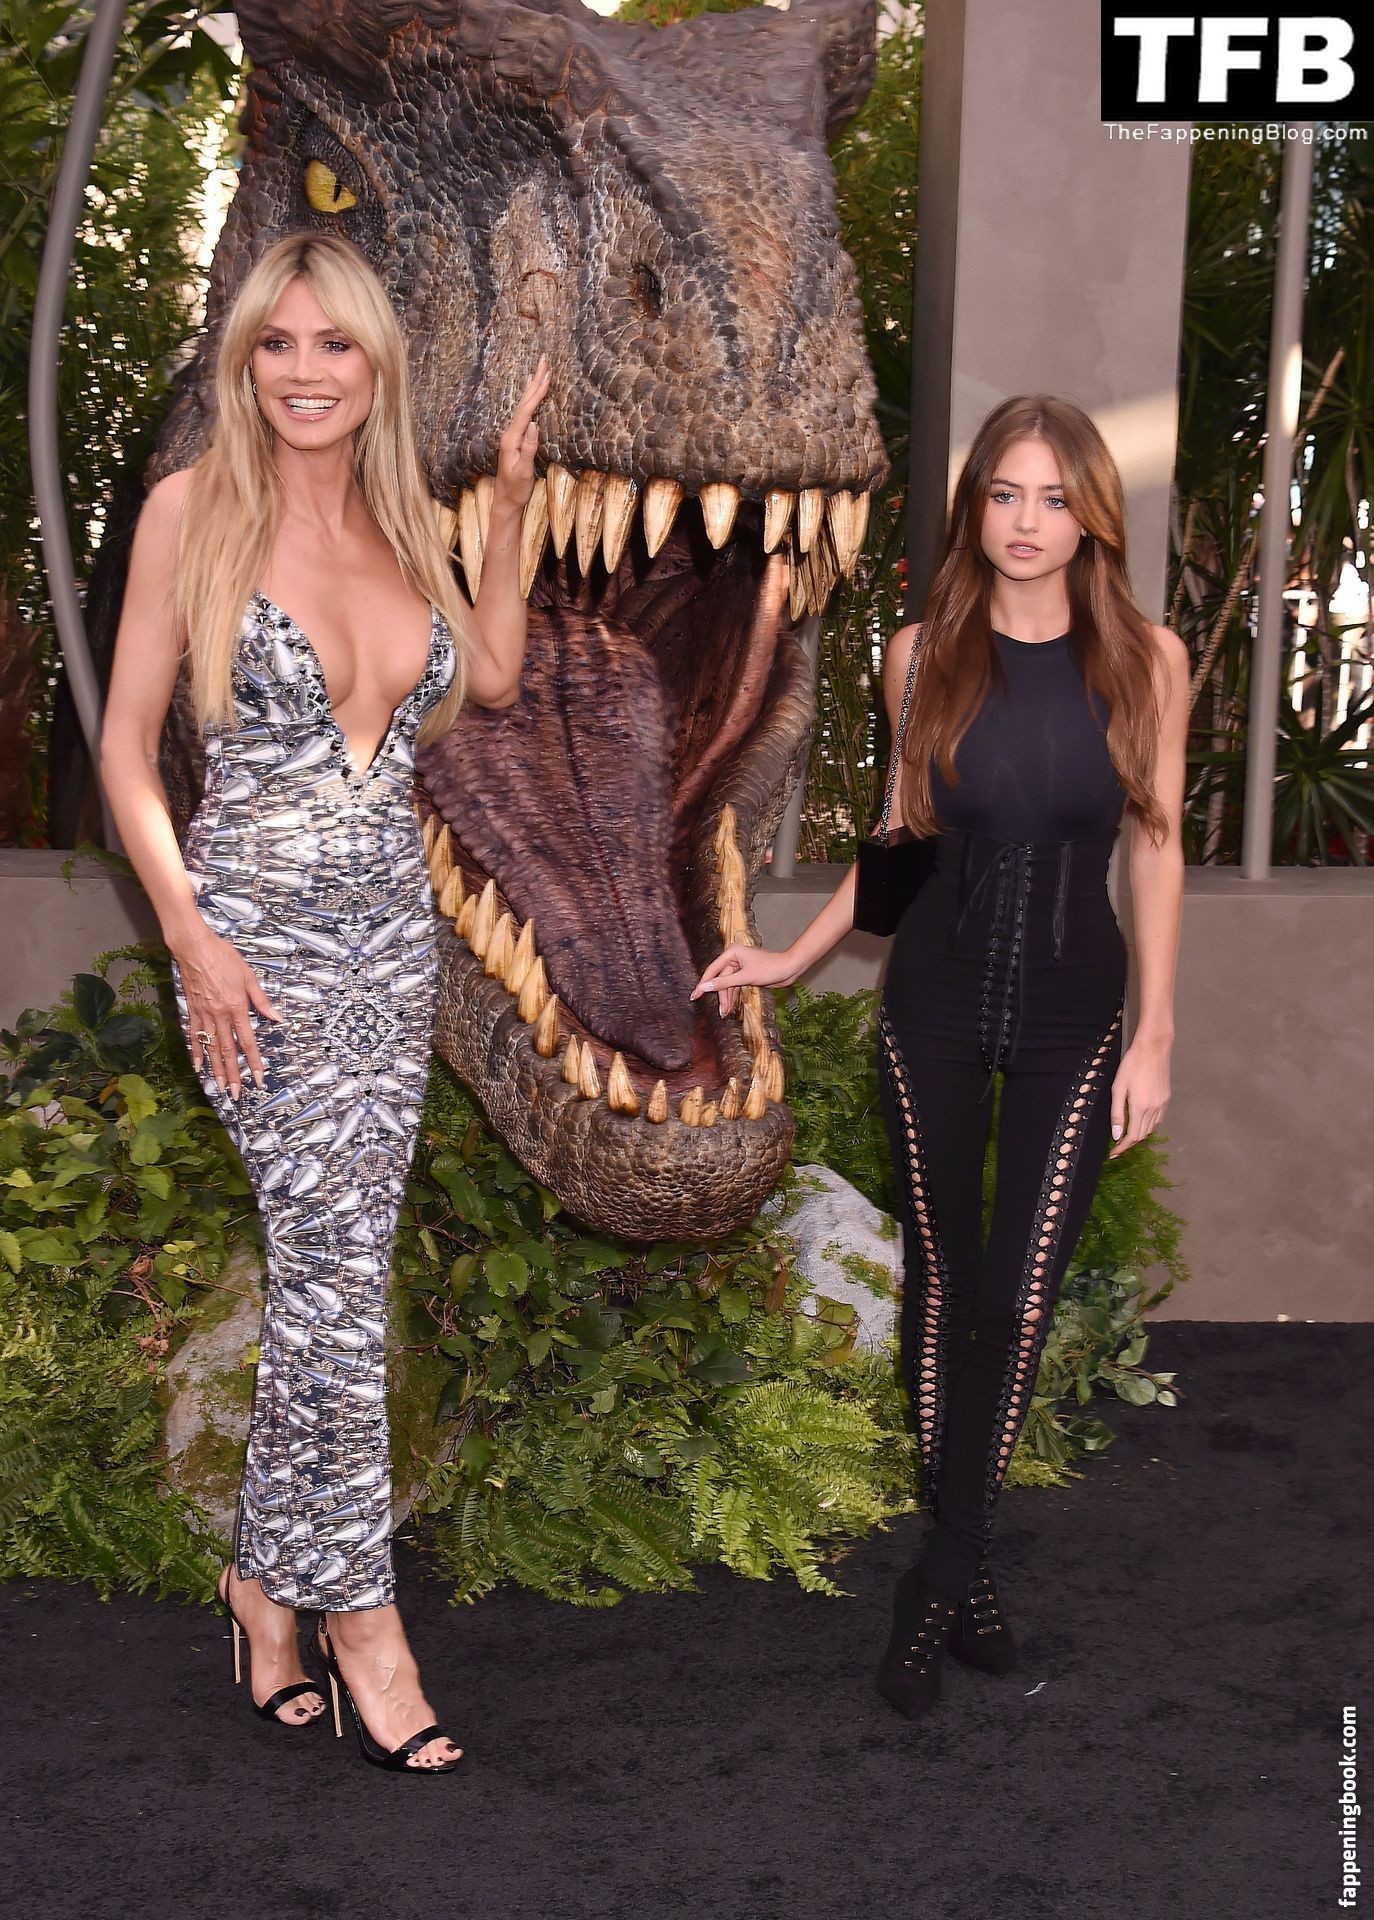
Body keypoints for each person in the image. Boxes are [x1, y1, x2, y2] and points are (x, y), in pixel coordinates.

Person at [101, 231, 550, 1771]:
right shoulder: (193, 513)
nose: (304, 370)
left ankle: (261, 1589)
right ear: (246, 363)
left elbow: (492, 677)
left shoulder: (407, 524)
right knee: (337, 1283)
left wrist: (511, 505)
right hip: (254, 954)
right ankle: (365, 1620)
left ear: (375, 367)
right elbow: (126, 747)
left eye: (333, 344)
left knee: (326, 1286)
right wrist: (190, 935)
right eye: (276, 343)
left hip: (386, 951)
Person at [690, 394, 1188, 1720]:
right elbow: (903, 839)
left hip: (1076, 1014)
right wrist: (790, 957)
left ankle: (942, 1576)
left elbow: (1155, 850)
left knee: (1017, 1299)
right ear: (975, 508)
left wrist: (1155, 1034)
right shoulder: (921, 655)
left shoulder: (1146, 660)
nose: (1026, 522)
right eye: (1003, 494)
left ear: (1091, 516)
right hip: (936, 1004)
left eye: (1053, 498)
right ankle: (965, 1575)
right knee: (946, 1284)